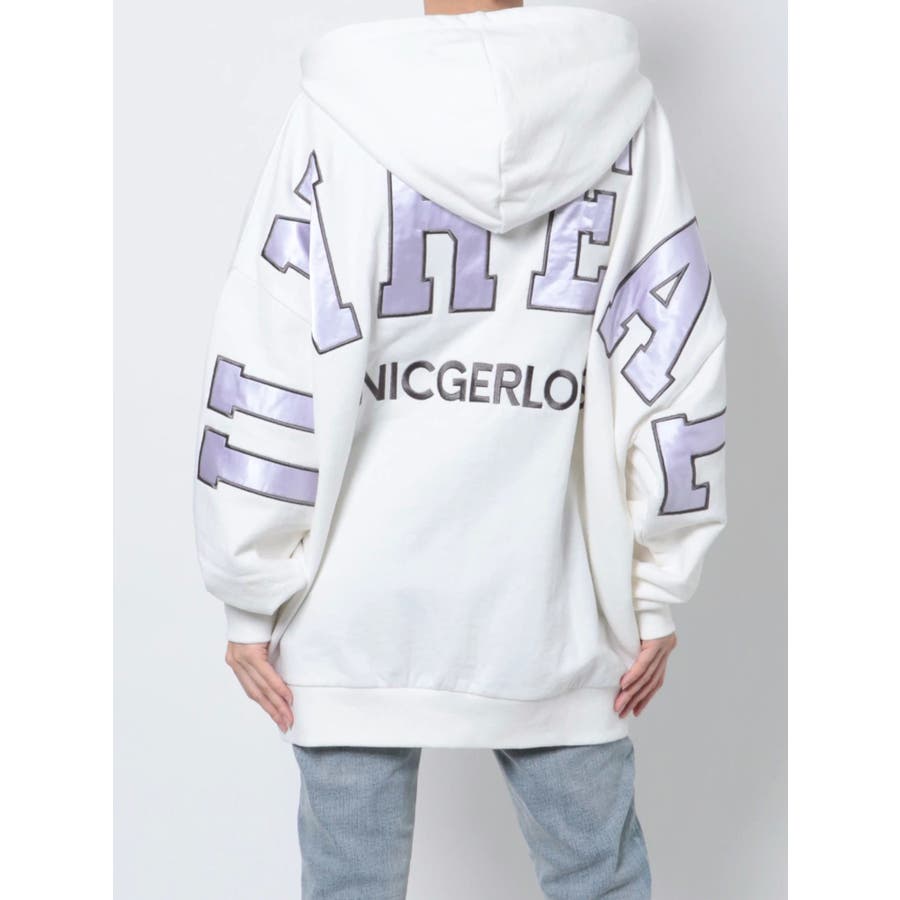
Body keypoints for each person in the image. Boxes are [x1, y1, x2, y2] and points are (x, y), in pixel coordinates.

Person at [193, 1, 727, 896]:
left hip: (353, 609)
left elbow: (275, 346)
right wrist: (655, 583)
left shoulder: (340, 111)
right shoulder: (620, 115)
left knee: (350, 884)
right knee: (598, 878)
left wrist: (250, 586)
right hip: (554, 600)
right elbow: (672, 353)